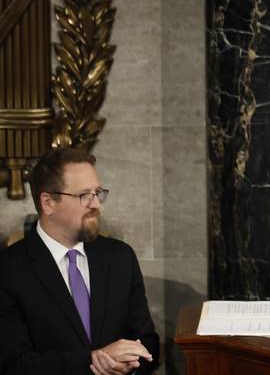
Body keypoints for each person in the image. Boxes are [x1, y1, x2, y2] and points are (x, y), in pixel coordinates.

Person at [0, 148, 160, 375]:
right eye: (84, 195)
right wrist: (92, 361)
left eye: (98, 193)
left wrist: (129, 366)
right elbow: (14, 364)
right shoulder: (8, 269)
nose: (96, 204)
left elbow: (147, 342)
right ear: (48, 203)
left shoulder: (120, 257)